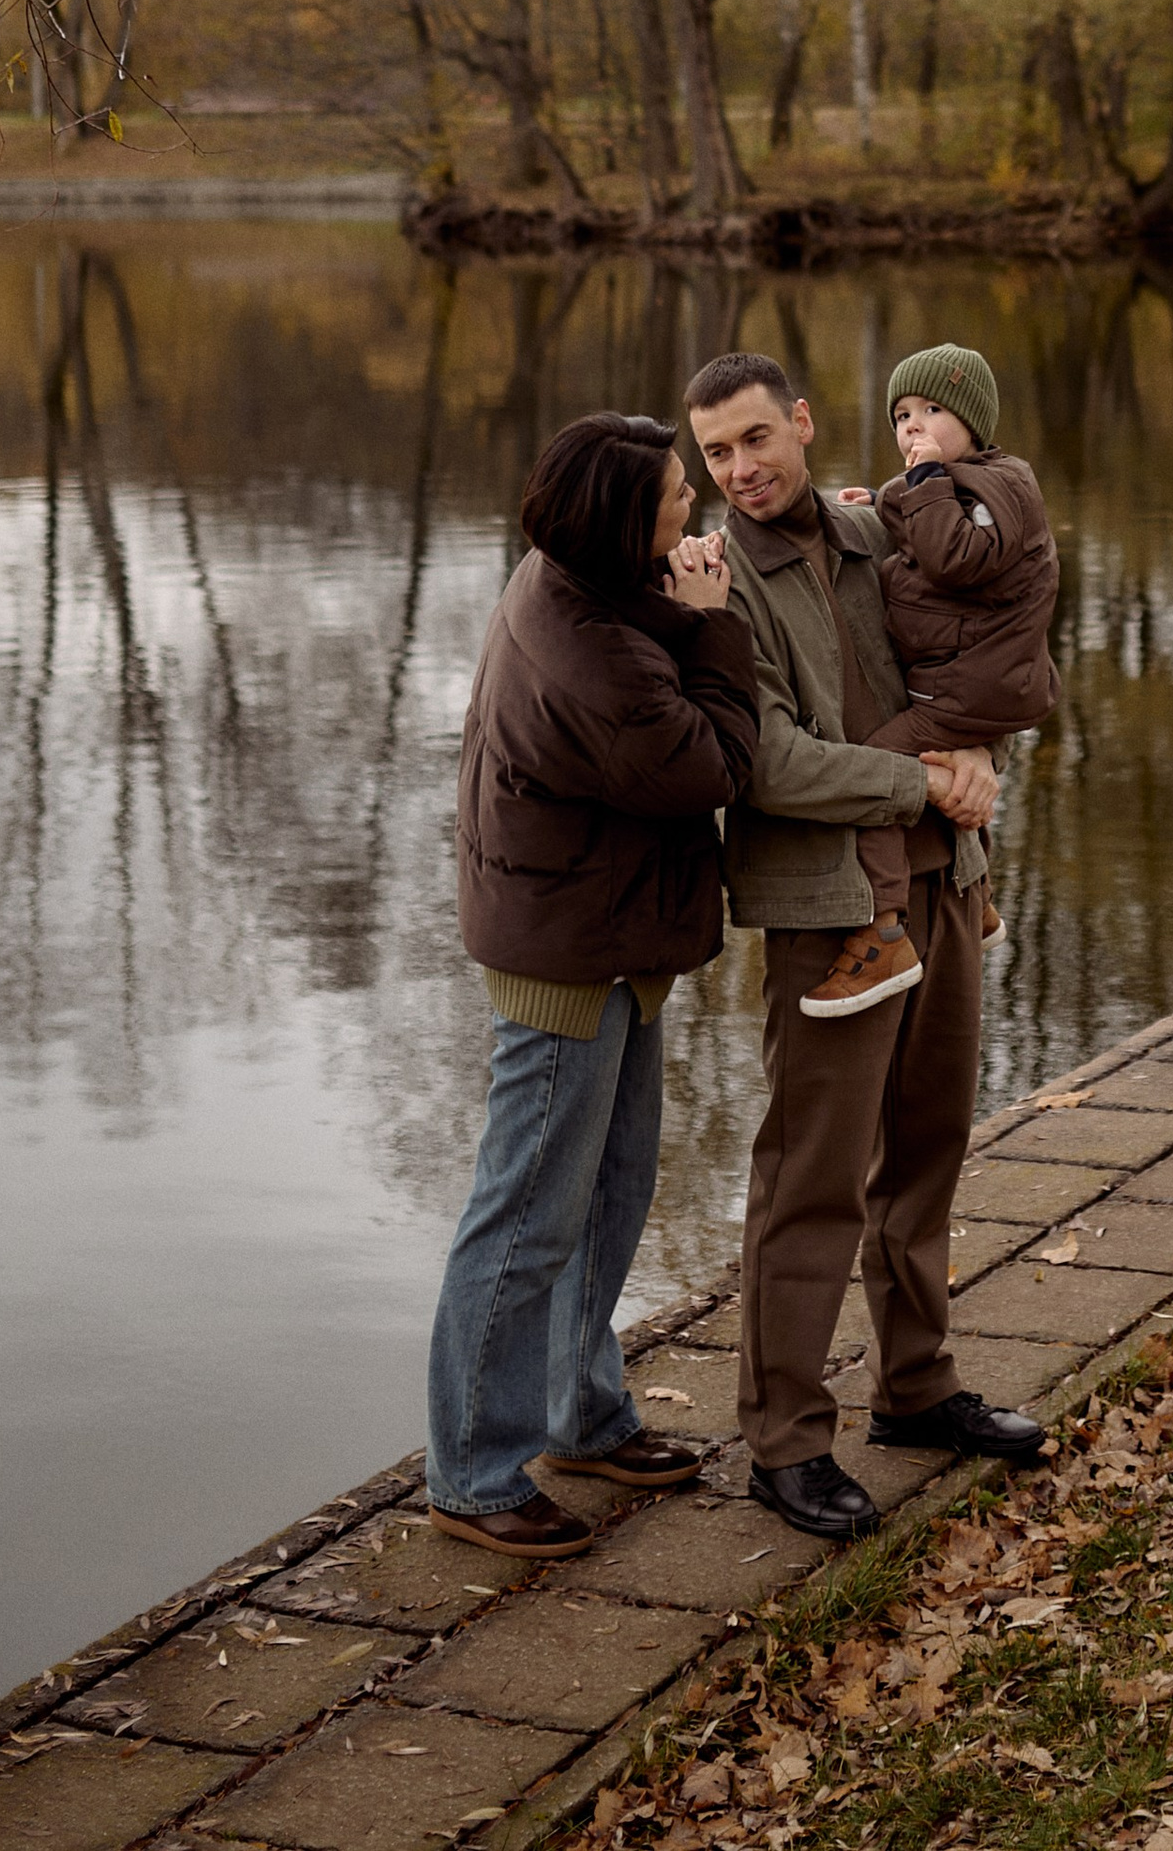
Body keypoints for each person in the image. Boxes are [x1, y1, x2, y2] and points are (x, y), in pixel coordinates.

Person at [680, 350, 1045, 1545]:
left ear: (801, 422)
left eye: (754, 440)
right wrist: (926, 779)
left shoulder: (881, 524)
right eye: (715, 453)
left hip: (945, 880)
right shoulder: (725, 588)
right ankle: (786, 1440)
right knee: (812, 1177)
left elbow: (979, 646)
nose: (738, 470)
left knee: (930, 1144)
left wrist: (984, 755)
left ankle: (918, 1385)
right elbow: (771, 762)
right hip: (829, 909)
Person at [426, 411, 758, 1561]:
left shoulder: (576, 579)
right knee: (525, 1214)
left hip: (603, 928)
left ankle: (579, 1412)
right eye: (676, 495)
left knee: (609, 1188)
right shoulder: (588, 651)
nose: (694, 505)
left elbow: (643, 640)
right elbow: (713, 763)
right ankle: (472, 1469)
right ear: (624, 517)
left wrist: (686, 596)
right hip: (567, 949)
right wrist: (715, 628)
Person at [799, 338, 1059, 1022]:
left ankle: (884, 929)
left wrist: (920, 487)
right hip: (982, 679)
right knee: (947, 774)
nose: (912, 427)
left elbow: (951, 557)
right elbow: (924, 527)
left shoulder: (997, 487)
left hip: (971, 686)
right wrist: (877, 504)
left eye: (932, 410)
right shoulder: (968, 484)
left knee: (876, 769)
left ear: (974, 423)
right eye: (901, 417)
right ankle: (978, 901)